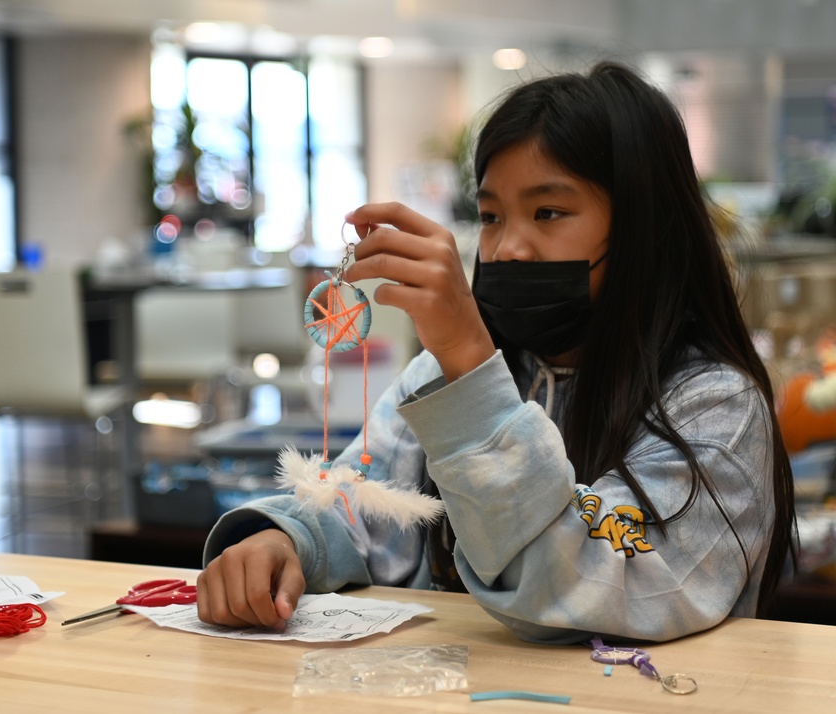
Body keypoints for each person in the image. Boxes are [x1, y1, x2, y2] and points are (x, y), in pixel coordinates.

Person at [195, 60, 797, 644]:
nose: (507, 247)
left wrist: (468, 366)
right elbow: (363, 507)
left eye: (548, 212)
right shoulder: (443, 376)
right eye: (489, 215)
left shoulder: (714, 406)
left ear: (645, 227)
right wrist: (284, 541)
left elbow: (579, 592)